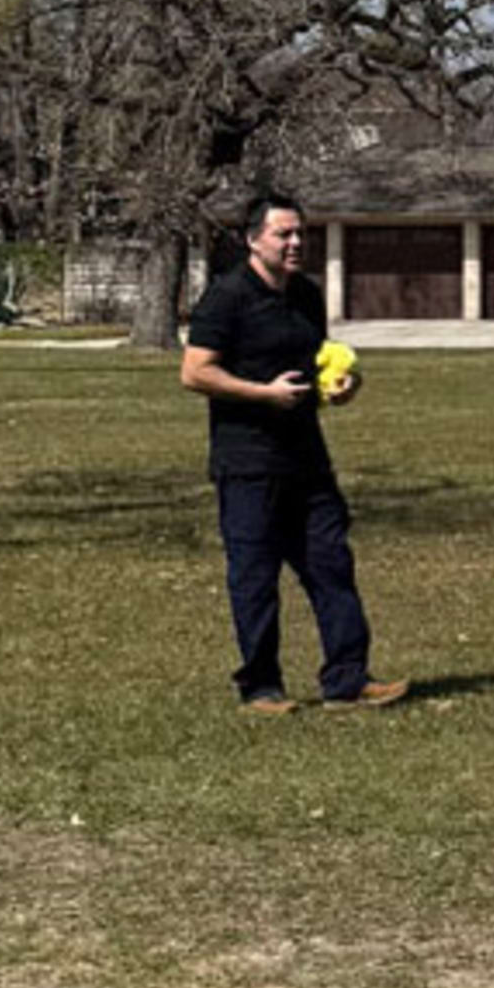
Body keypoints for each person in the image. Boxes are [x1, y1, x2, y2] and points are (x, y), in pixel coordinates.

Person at [180, 195, 404, 715]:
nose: (297, 243)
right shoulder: (227, 297)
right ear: (254, 239)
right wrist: (262, 394)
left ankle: (348, 680)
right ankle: (261, 687)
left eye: (301, 233)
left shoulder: (305, 295)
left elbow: (318, 364)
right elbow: (195, 372)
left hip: (306, 457)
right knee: (255, 576)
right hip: (248, 462)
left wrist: (342, 387)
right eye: (284, 234)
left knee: (331, 564)